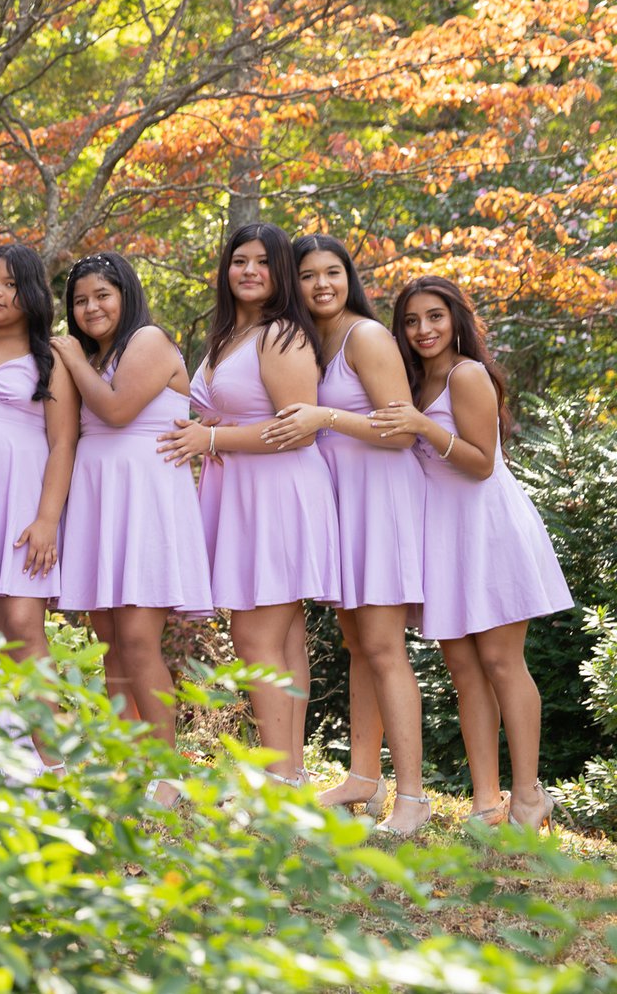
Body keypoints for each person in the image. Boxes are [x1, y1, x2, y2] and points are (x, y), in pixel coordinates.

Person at [371, 276, 571, 831]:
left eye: (434, 316)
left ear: (456, 318)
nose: (423, 330)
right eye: (411, 321)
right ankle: (486, 802)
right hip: (442, 536)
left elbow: (482, 463)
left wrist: (421, 426)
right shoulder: (414, 380)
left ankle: (527, 796)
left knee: (503, 662)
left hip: (488, 529)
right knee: (463, 670)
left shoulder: (467, 374)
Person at [158, 222, 339, 783]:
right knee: (281, 638)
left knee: (255, 637)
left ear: (279, 271)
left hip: (279, 491)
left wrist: (211, 437)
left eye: (263, 261)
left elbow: (297, 432)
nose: (250, 271)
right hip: (240, 490)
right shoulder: (228, 335)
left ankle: (279, 781)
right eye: (240, 260)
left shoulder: (283, 334)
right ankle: (292, 776)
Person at [261, 235, 429, 834]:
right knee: (358, 642)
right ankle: (363, 777)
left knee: (383, 647)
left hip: (381, 500)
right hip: (343, 503)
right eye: (308, 275)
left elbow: (403, 431)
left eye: (332, 272)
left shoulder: (367, 336)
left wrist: (326, 416)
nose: (321, 284)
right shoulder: (311, 339)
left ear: (348, 277)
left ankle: (413, 797)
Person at [52, 253, 213, 796]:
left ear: (126, 294)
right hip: (100, 500)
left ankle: (167, 774)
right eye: (80, 300)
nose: (91, 307)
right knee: (110, 641)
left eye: (102, 295)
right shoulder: (93, 356)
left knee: (140, 639)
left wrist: (71, 357)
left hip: (145, 498)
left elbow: (118, 410)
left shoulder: (148, 340)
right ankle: (129, 765)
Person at [0, 244, 76, 668]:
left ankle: (45, 717)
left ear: (31, 292)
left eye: (9, 284)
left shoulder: (51, 357)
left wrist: (47, 521)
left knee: (22, 625)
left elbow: (63, 443)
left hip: (23, 501)